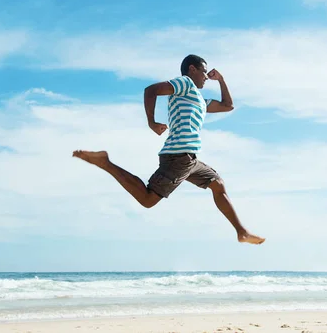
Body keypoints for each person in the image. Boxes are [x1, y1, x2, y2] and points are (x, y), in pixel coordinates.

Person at [72, 54, 265, 245]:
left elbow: (228, 106)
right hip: (178, 156)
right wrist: (151, 122)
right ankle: (105, 163)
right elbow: (151, 90)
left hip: (189, 159)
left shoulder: (198, 99)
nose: (206, 77)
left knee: (217, 184)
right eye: (204, 72)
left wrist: (221, 80)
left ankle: (242, 232)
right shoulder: (185, 84)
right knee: (147, 200)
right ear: (192, 69)